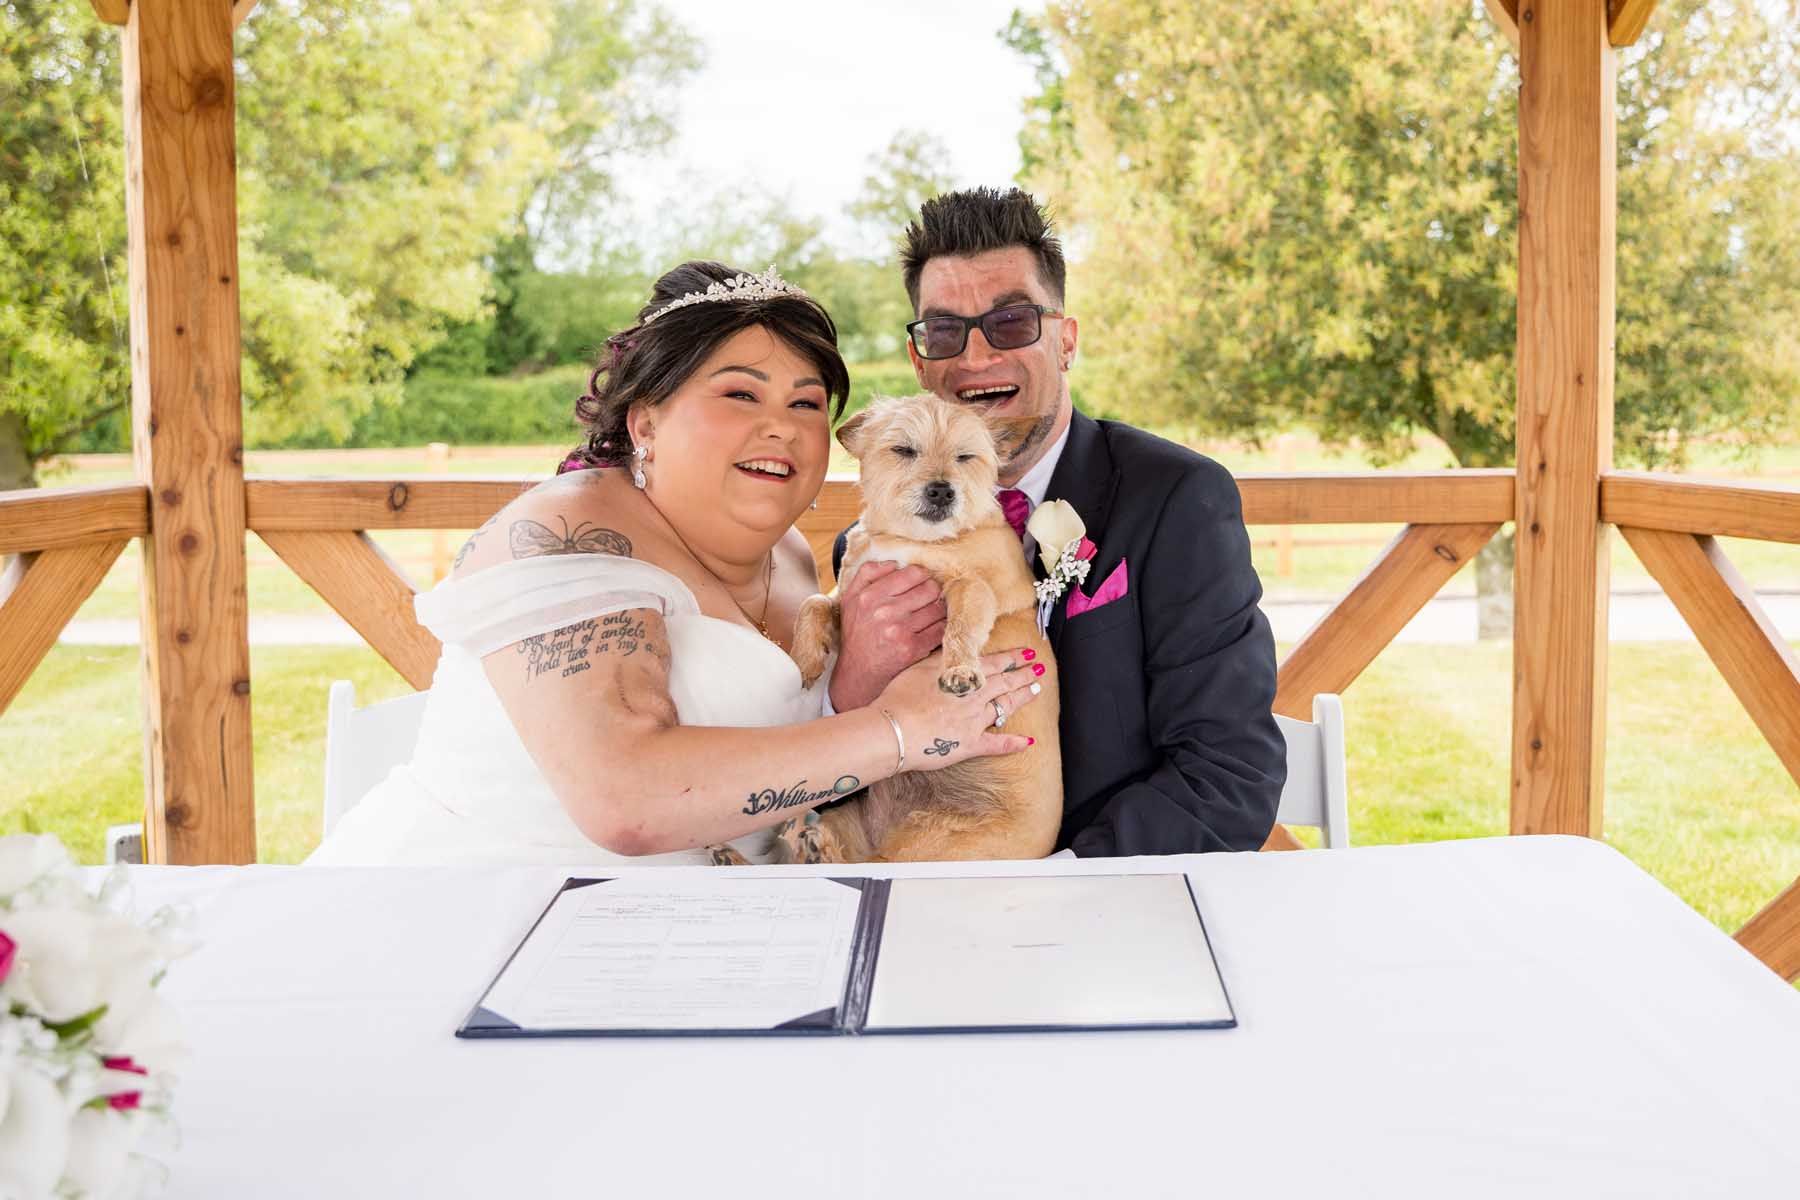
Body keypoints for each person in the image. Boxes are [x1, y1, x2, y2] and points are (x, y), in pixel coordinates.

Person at [308, 261, 1044, 866]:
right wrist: (897, 732)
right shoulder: (566, 530)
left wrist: (855, 683)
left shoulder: (789, 553)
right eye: (740, 394)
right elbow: (625, 801)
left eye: (805, 404)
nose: (781, 428)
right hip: (501, 909)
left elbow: (785, 738)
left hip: (731, 925)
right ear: (646, 421)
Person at [828, 189, 1286, 856]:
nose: (975, 358)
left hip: (1106, 890)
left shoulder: (1176, 499)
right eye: (945, 331)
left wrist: (1064, 882)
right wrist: (848, 688)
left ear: (1065, 341)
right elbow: (840, 778)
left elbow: (1229, 774)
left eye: (1011, 321)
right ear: (920, 361)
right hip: (913, 877)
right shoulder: (874, 546)